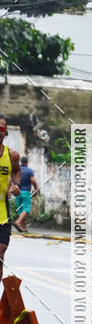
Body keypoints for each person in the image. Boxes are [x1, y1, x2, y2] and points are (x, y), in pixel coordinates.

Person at [0, 116, 22, 279]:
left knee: (0, 253)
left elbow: (16, 170)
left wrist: (16, 184)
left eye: (2, 129)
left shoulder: (12, 155)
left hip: (2, 211)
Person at [14, 156, 39, 233]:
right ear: (27, 162)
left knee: (21, 210)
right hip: (25, 192)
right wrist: (36, 189)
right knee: (26, 209)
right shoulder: (29, 171)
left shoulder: (17, 170)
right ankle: (18, 222)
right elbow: (33, 181)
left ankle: (23, 228)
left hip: (17, 192)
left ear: (21, 162)